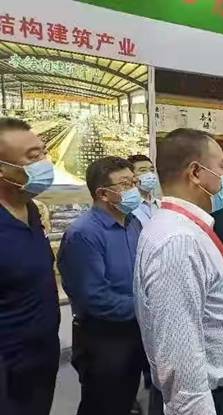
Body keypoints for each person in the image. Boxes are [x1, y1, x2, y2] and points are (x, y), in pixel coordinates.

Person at [134, 128, 223, 415]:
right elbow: (180, 356)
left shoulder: (180, 228)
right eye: (221, 168)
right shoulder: (178, 241)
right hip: (209, 397)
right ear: (196, 173)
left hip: (217, 390)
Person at [58, 156, 144, 415]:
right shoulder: (83, 234)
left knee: (125, 397)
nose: (134, 189)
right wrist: (145, 307)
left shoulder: (133, 223)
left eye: (134, 182)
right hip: (103, 337)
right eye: (125, 184)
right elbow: (94, 297)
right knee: (102, 403)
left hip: (134, 329)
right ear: (103, 194)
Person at [0, 117, 59, 415]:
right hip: (8, 372)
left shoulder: (32, 210)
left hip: (42, 361)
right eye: (33, 157)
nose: (45, 163)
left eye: (44, 152)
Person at [128, 154, 161, 227]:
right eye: (143, 170)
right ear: (131, 176)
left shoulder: (161, 205)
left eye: (152, 170)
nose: (149, 174)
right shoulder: (127, 207)